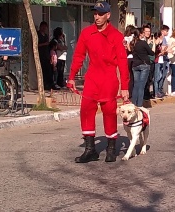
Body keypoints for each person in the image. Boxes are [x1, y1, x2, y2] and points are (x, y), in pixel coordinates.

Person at [67, 1, 129, 163]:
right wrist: (72, 76)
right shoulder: (87, 33)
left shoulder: (116, 36)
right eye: (95, 13)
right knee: (86, 110)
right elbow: (79, 55)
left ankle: (110, 148)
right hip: (92, 78)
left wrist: (125, 87)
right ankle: (90, 150)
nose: (97, 17)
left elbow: (123, 63)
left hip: (109, 79)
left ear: (108, 15)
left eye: (100, 14)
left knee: (109, 112)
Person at [130, 29, 155, 106]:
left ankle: (134, 103)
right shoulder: (143, 43)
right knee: (141, 86)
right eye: (143, 33)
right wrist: (153, 44)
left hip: (135, 65)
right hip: (144, 64)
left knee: (136, 85)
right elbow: (151, 53)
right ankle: (139, 105)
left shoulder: (133, 43)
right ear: (141, 34)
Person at [38, 21, 58, 90]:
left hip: (47, 55)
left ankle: (51, 84)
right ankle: (45, 85)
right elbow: (36, 45)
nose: (44, 28)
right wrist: (44, 44)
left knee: (49, 71)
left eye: (45, 27)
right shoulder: (38, 35)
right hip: (41, 55)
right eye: (43, 27)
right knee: (44, 71)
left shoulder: (46, 35)